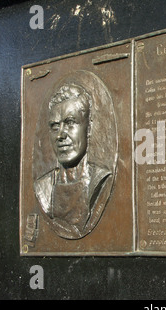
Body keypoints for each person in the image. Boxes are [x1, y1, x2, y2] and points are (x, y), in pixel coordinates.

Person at [34, 83, 112, 239]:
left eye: (70, 122)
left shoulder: (101, 179)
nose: (60, 135)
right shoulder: (42, 187)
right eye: (55, 126)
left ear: (88, 129)